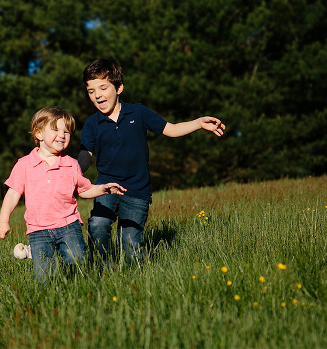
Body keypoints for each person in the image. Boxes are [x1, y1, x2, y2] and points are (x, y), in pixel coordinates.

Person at [77, 58, 226, 269]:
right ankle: (104, 269)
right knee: (98, 225)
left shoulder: (138, 112)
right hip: (105, 188)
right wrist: (71, 171)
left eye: (103, 88)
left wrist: (199, 123)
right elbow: (85, 155)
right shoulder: (92, 123)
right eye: (91, 91)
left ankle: (133, 280)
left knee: (129, 242)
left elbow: (171, 129)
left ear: (119, 87)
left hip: (137, 190)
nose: (97, 95)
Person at [0, 107, 126, 283]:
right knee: (43, 275)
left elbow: (84, 190)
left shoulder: (71, 164)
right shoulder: (24, 164)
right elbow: (12, 194)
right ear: (39, 134)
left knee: (77, 259)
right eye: (56, 130)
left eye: (67, 131)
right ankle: (42, 280)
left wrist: (103, 188)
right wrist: (3, 221)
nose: (62, 135)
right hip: (38, 228)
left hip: (68, 224)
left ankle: (75, 286)